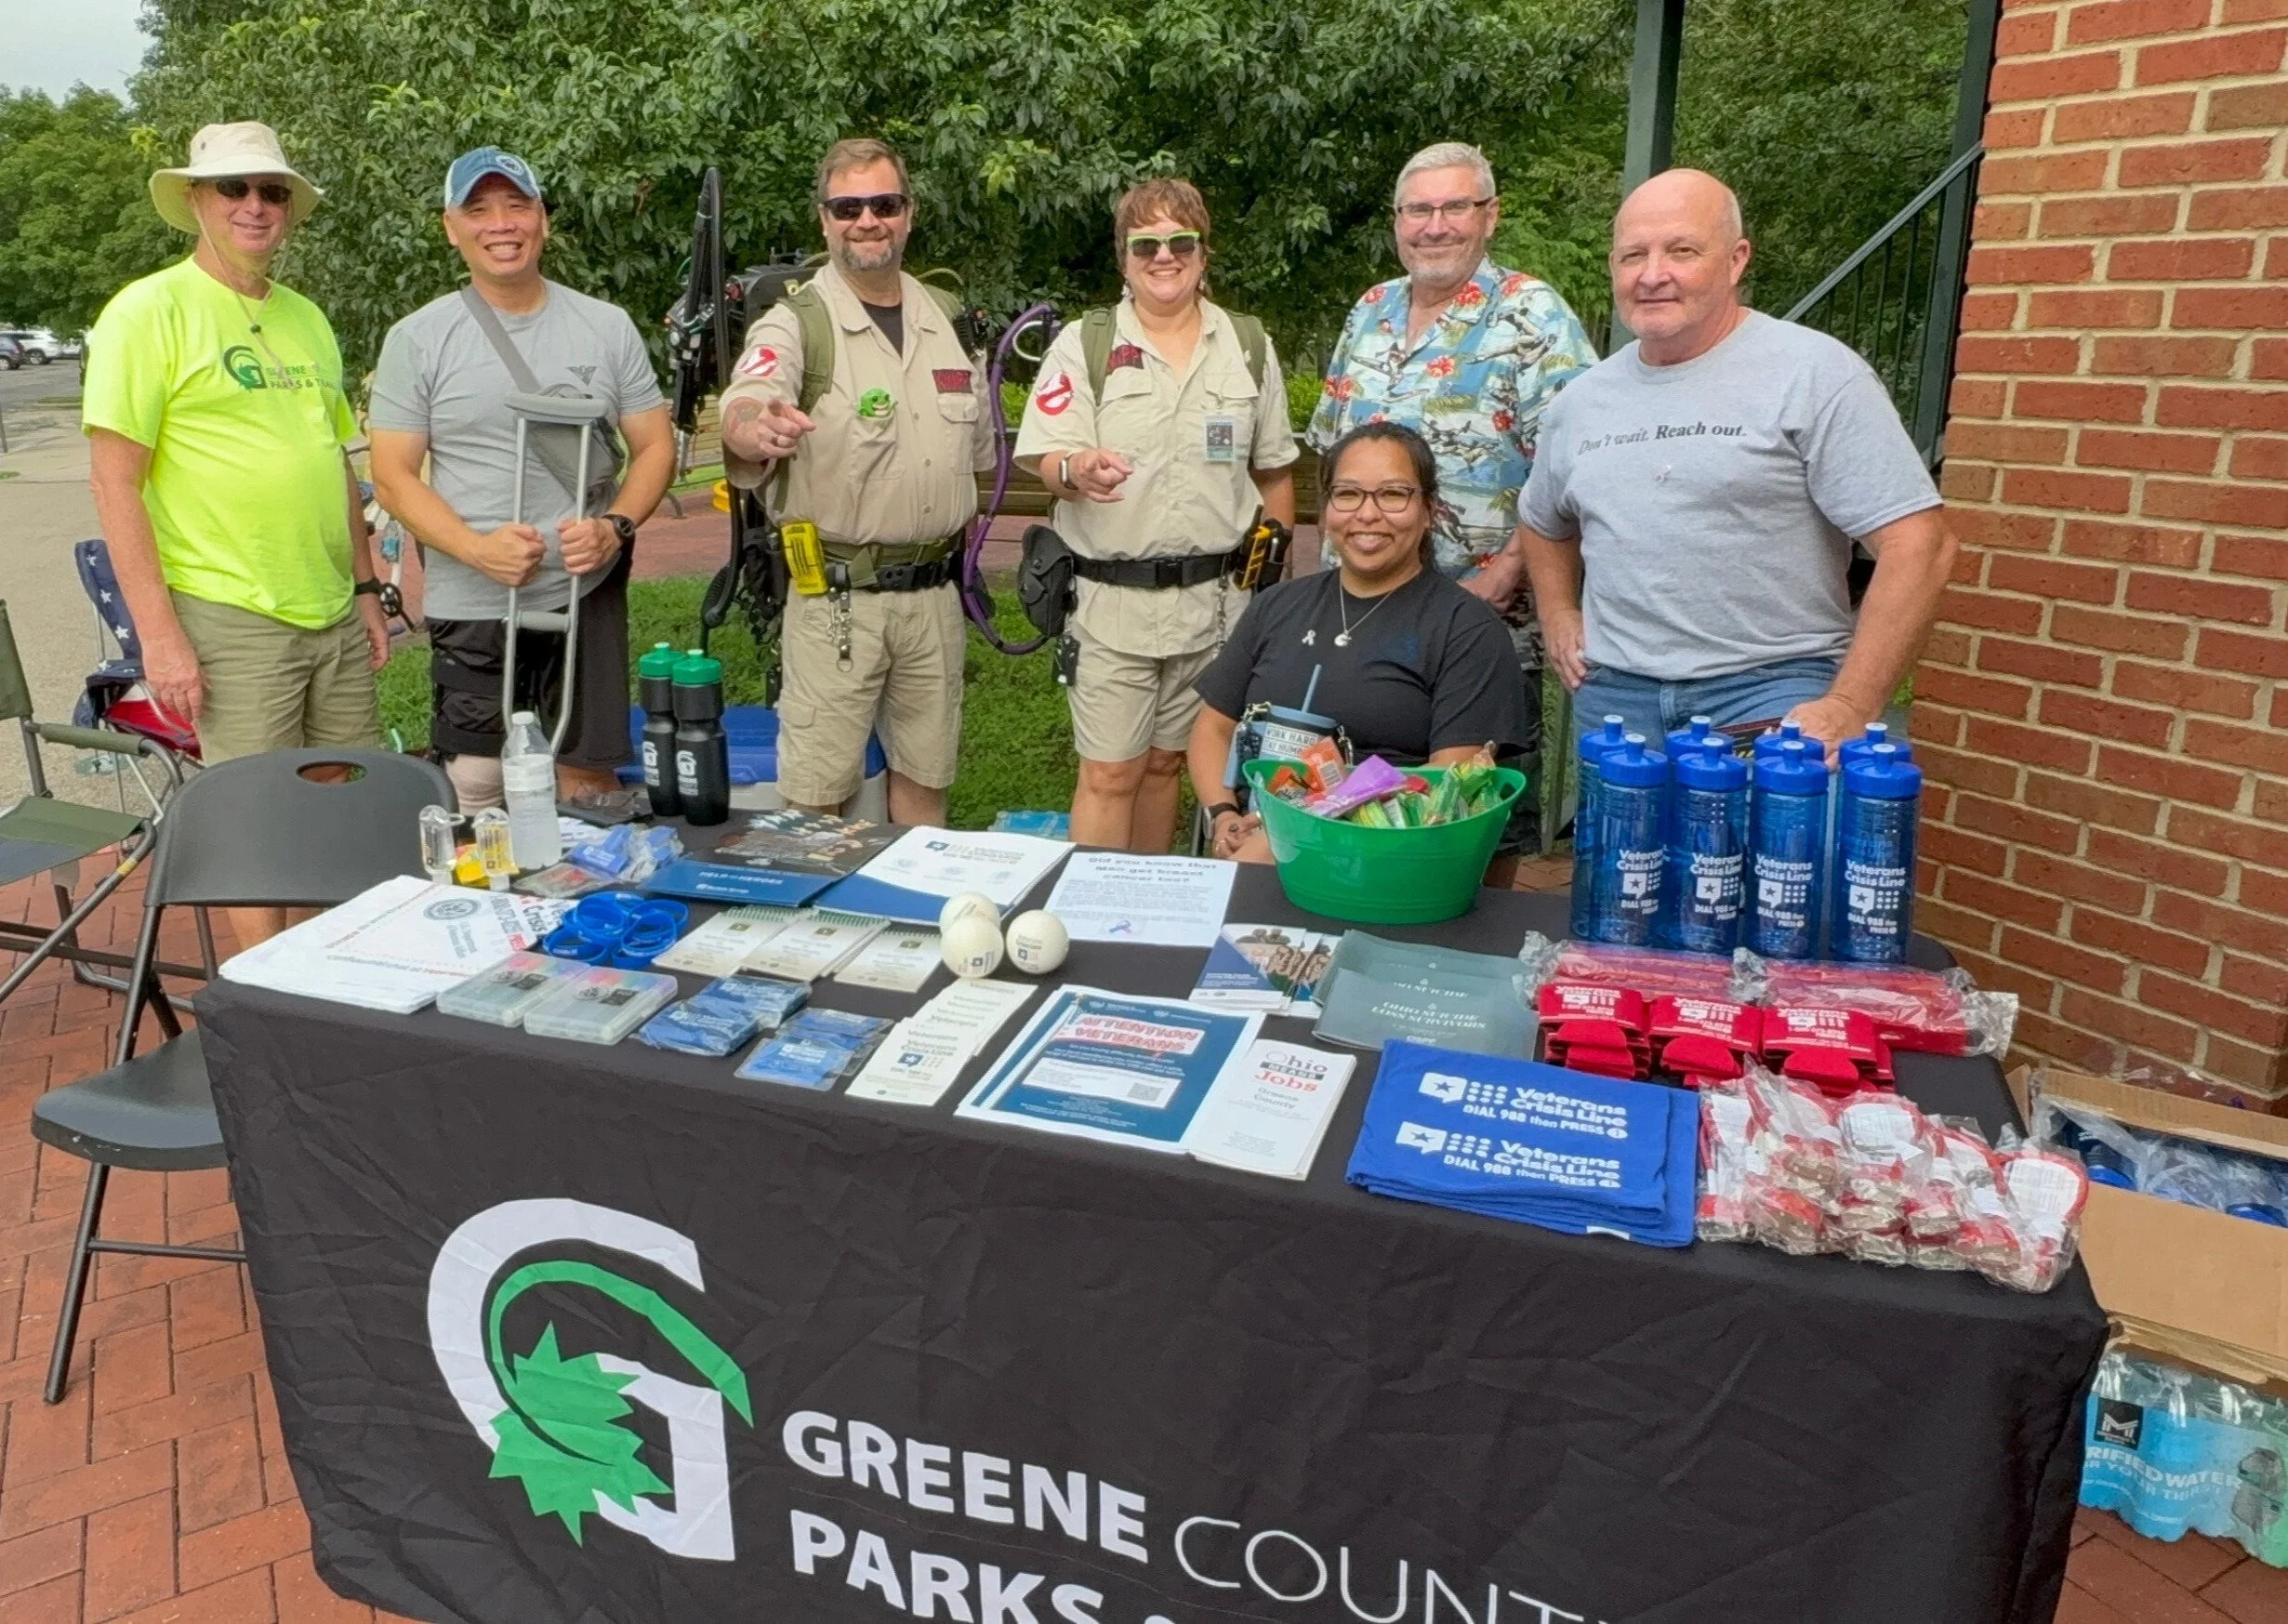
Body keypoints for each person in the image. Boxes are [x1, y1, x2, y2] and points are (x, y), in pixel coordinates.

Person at [1516, 169, 1957, 758]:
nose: (1652, 275)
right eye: (1632, 256)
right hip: (1616, 698)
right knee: (1616, 855)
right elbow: (1543, 522)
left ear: (1736, 260)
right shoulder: (1580, 401)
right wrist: (1559, 612)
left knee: (1764, 854)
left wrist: (1852, 704)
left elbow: (1920, 545)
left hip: (1770, 694)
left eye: (1682, 251)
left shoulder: (1814, 374)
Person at [83, 121, 387, 948]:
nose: (255, 205)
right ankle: (270, 1011)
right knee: (259, 821)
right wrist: (160, 638)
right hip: (229, 610)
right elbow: (116, 483)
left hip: (330, 606)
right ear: (195, 200)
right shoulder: (146, 312)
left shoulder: (307, 319)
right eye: (235, 188)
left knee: (340, 803)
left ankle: (339, 991)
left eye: (272, 191)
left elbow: (335, 464)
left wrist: (365, 588)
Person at [369, 147, 676, 808]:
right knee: (477, 780)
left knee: (586, 781)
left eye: (516, 205)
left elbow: (653, 445)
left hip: (581, 585)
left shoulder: (605, 325)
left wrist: (615, 527)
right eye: (478, 209)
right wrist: (477, 548)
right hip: (473, 592)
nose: (500, 224)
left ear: (542, 219)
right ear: (451, 227)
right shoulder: (418, 338)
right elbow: (392, 476)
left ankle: (583, 904)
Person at [1308, 141, 1600, 834]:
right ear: (1397, 220)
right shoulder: (1370, 309)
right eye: (1418, 210)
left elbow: (1576, 468)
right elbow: (1330, 452)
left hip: (1478, 625)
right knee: (1349, 809)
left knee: (1471, 823)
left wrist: (1505, 574)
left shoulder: (1532, 315)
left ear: (1489, 216)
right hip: (1359, 620)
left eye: (1454, 207)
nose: (1434, 225)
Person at [1014, 178, 1299, 853]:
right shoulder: (1085, 344)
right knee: (1111, 771)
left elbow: (1275, 472)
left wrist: (1271, 589)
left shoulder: (1248, 346)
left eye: (1181, 241)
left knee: (1172, 762)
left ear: (1203, 255)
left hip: (1215, 607)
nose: (1163, 256)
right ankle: (1090, 919)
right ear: (1123, 257)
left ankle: (1146, 913)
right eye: (1146, 244)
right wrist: (1073, 469)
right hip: (1111, 602)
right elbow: (1044, 456)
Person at [716, 137, 994, 825]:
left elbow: (981, 455)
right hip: (836, 599)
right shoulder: (797, 323)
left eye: (883, 203)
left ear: (908, 214)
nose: (866, 220)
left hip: (934, 597)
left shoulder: (948, 319)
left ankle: (913, 924)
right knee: (815, 799)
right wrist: (757, 426)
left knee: (926, 785)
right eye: (848, 207)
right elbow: (747, 398)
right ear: (824, 219)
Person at [1188, 423, 1528, 863]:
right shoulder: (1277, 606)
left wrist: (1295, 831)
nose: (1367, 514)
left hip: (1383, 856)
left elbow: (1451, 776)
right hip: (1253, 841)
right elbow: (1212, 728)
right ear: (1327, 508)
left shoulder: (1465, 628)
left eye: (1392, 494)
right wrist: (1223, 815)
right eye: (1347, 494)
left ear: (1428, 510)